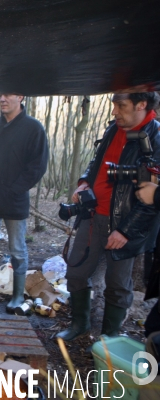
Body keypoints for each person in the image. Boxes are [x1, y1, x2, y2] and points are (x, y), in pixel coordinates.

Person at [57, 92, 160, 341]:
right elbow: (96, 161)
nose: (114, 111)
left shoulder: (155, 138)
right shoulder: (115, 128)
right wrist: (84, 182)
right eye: (114, 105)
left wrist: (125, 231)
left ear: (142, 104)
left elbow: (152, 197)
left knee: (117, 285)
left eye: (121, 106)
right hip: (94, 215)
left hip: (127, 225)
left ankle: (109, 339)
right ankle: (80, 324)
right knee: (77, 273)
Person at [0, 93, 49, 313]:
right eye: (0, 95)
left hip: (15, 201)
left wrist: (15, 190)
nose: (2, 99)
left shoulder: (33, 128)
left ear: (21, 96)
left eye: (8, 95)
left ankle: (17, 295)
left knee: (17, 249)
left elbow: (37, 166)